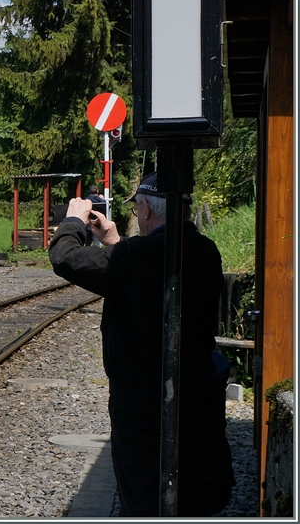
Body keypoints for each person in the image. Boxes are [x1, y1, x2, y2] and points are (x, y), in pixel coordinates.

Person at [49, 172, 234, 517]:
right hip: (195, 391)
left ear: (146, 209)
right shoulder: (203, 250)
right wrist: (116, 243)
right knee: (194, 484)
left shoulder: (143, 255)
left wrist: (73, 220)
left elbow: (66, 258)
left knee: (144, 490)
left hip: (143, 404)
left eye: (136, 210)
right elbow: (148, 282)